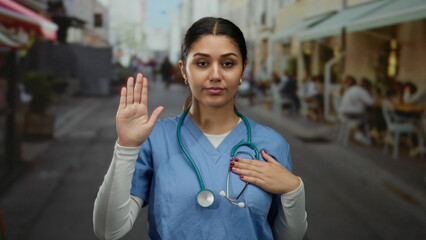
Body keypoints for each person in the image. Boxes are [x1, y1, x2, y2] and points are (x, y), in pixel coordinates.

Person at [93, 17, 307, 240]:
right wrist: (126, 146)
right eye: (202, 63)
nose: (215, 75)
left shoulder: (272, 145)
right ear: (184, 70)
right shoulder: (155, 140)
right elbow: (108, 230)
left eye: (228, 63)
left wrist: (294, 190)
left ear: (243, 69)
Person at [339, 77, 376, 145]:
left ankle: (362, 133)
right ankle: (361, 133)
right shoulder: (362, 91)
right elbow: (371, 102)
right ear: (367, 86)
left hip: (343, 113)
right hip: (351, 114)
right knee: (371, 117)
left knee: (366, 115)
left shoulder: (352, 89)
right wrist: (371, 93)